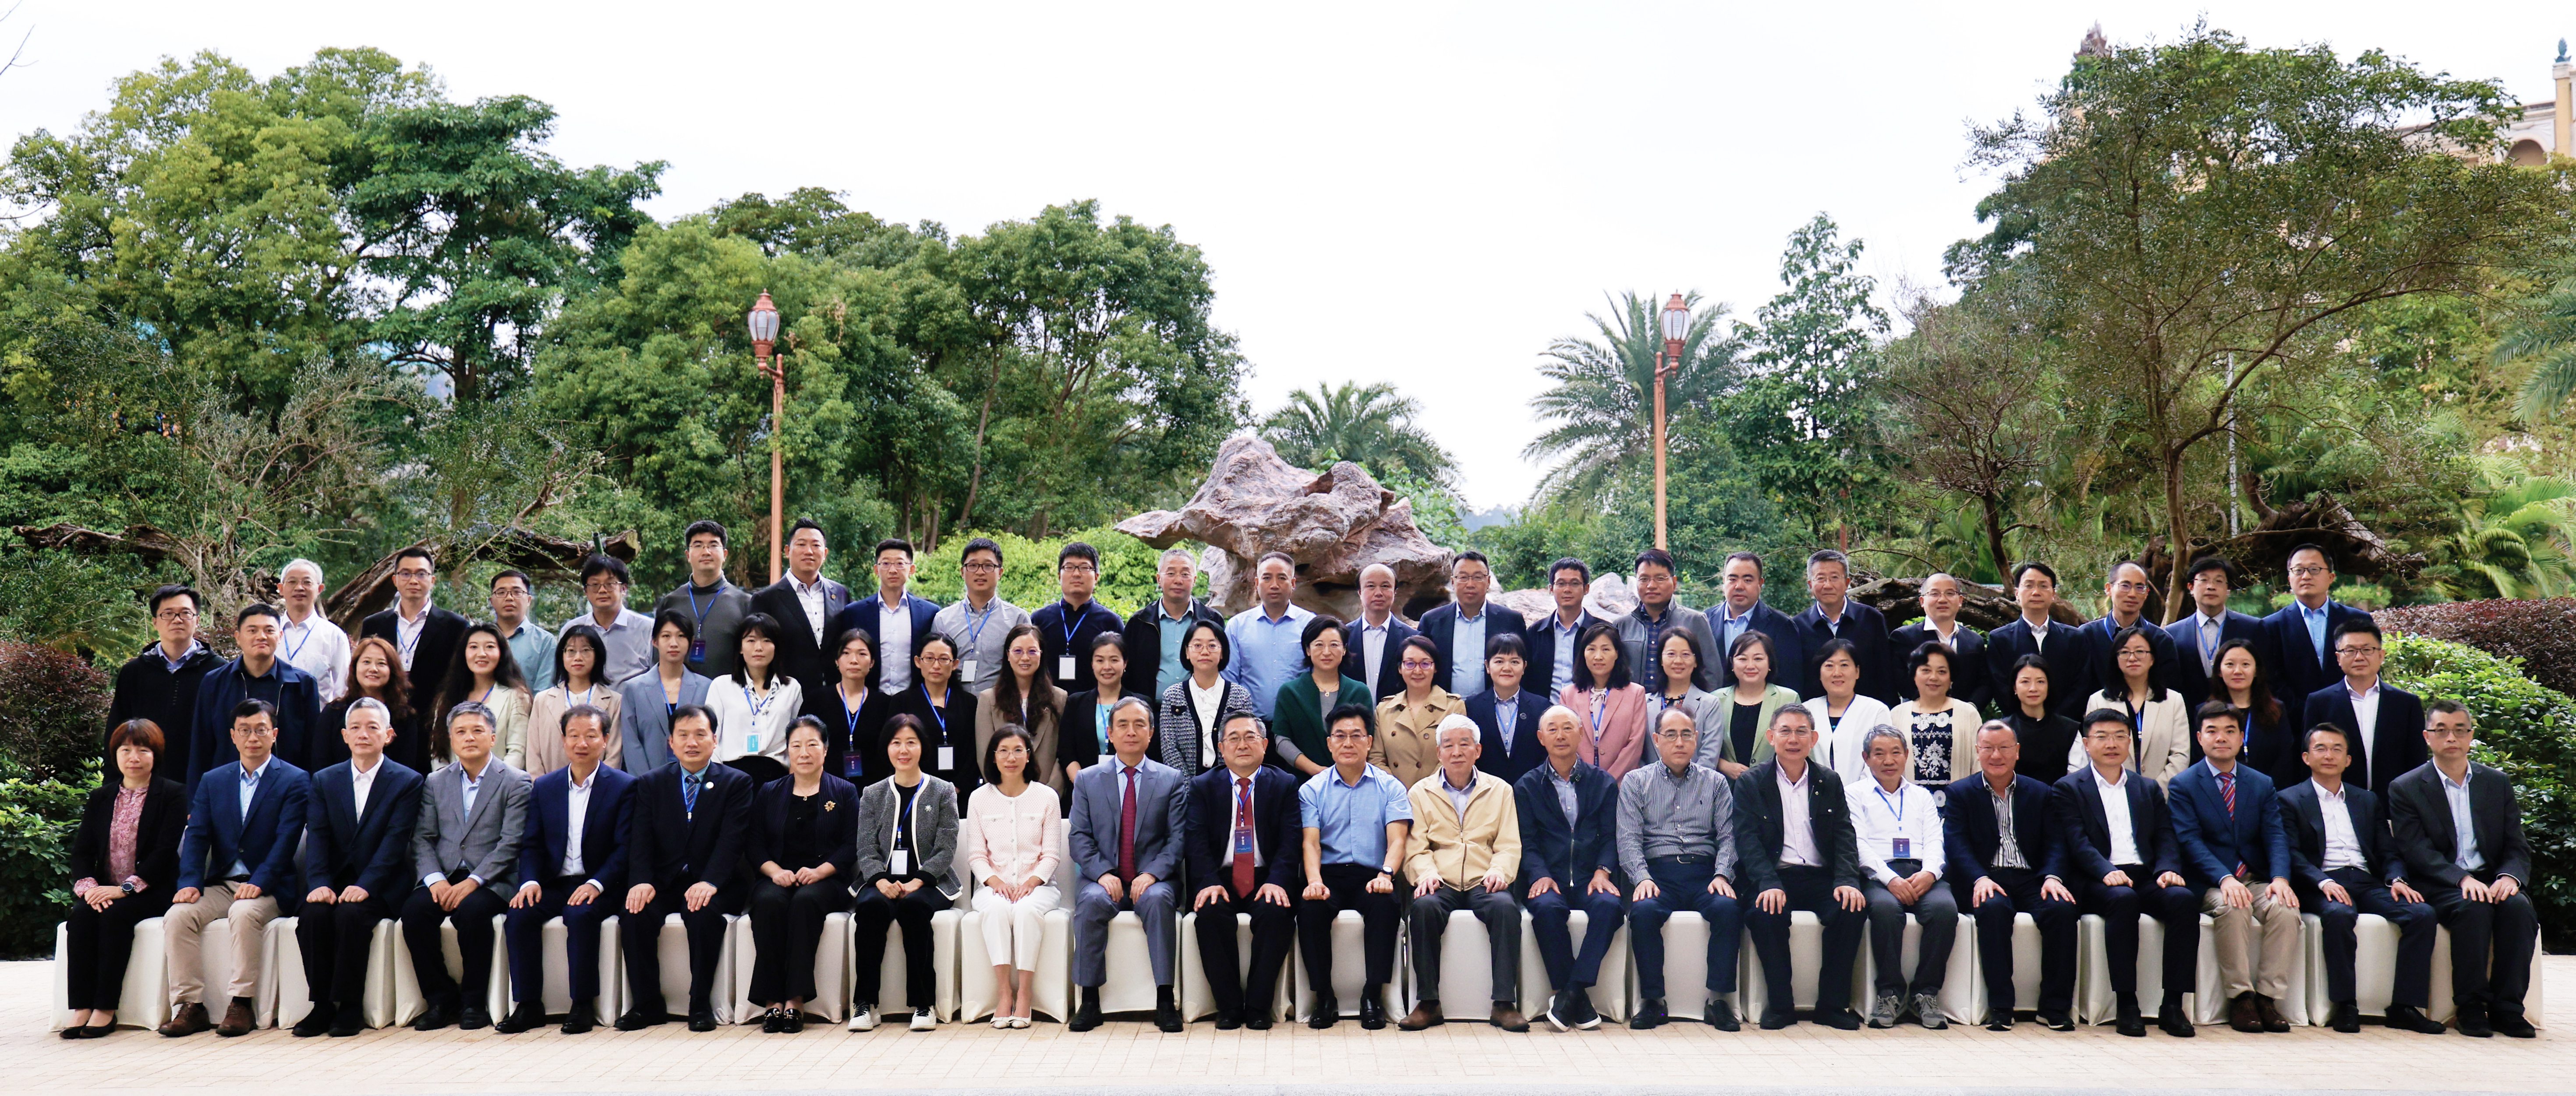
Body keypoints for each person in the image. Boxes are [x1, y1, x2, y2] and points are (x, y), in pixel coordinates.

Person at [2277, 722, 2443, 1035]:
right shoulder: (2289, 800)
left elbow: (2388, 849)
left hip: (2366, 880)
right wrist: (2323, 882)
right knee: (2340, 915)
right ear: (2306, 757)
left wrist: (2397, 879)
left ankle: (2405, 1007)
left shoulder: (2366, 800)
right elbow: (2291, 854)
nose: (2329, 755)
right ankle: (2346, 1005)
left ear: (2349, 760)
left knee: (2422, 914)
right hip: (2322, 882)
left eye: (2337, 749)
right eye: (2321, 749)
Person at [160, 700, 311, 1038]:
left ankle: (241, 1003)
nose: (252, 738)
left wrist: (261, 881)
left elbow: (287, 840)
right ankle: (191, 1006)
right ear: (233, 736)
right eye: (245, 730)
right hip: (222, 883)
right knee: (178, 916)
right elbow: (197, 836)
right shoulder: (214, 781)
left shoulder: (295, 780)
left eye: (260, 730)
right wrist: (190, 882)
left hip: (269, 886)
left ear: (274, 734)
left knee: (243, 914)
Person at [2388, 700, 2538, 1038]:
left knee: (2519, 909)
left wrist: (2509, 877)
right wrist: (2462, 879)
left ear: (2471, 736)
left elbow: (2516, 844)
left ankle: (2508, 1008)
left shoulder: (2496, 783)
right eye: (2441, 730)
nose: (2451, 738)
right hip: (2441, 881)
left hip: (2490, 877)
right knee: (2474, 908)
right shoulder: (2406, 787)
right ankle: (2471, 1007)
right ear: (2427, 737)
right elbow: (2417, 851)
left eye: (2459, 730)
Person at [2049, 708, 2201, 1038]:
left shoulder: (2147, 788)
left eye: (2120, 736)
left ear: (2130, 742)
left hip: (2144, 875)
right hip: (2096, 878)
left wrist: (2168, 869)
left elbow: (2165, 836)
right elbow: (2076, 841)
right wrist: (2105, 870)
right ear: (2086, 744)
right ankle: (2127, 1003)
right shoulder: (2069, 788)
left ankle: (2173, 1005)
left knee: (2184, 900)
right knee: (2123, 900)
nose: (2112, 744)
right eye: (2102, 737)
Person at [616, 704, 754, 1032]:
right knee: (634, 914)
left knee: (703, 914)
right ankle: (647, 1004)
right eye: (683, 735)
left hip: (716, 882)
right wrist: (641, 881)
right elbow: (640, 839)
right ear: (671, 742)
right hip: (664, 881)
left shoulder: (737, 783)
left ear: (715, 740)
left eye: (700, 735)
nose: (692, 742)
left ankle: (700, 1004)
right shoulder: (651, 783)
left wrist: (710, 882)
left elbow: (732, 841)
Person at [292, 699, 425, 1038]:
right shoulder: (324, 780)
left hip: (382, 882)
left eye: (372, 727)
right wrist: (319, 883)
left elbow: (396, 841)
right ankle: (322, 1004)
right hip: (334, 879)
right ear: (345, 736)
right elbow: (318, 836)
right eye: (356, 728)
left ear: (389, 735)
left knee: (351, 915)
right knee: (313, 915)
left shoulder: (408, 781)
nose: (363, 734)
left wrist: (367, 884)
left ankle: (349, 1006)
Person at [498, 703, 633, 1036]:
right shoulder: (545, 787)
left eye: (591, 736)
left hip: (601, 884)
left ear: (605, 739)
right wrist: (529, 881)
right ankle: (528, 1004)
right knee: (519, 915)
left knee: (581, 914)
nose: (581, 743)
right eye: (574, 736)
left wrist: (597, 884)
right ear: (563, 740)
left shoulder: (624, 786)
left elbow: (625, 849)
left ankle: (582, 1004)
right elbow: (532, 844)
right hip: (554, 882)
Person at [2168, 703, 2300, 1034]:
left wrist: (2281, 878)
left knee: (2286, 908)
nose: (2221, 738)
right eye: (2212, 731)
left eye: (2230, 731)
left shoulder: (2261, 783)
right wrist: (2225, 878)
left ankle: (2268, 998)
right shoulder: (2184, 784)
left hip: (2255, 877)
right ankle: (2241, 997)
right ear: (2199, 738)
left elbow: (2275, 835)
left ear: (2242, 738)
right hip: (2211, 881)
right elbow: (2190, 841)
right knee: (2234, 906)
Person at [1735, 704, 1867, 1030]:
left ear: (1814, 738)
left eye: (1801, 732)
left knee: (1851, 909)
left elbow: (1844, 835)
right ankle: (1781, 1006)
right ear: (1771, 737)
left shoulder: (1829, 780)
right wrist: (1767, 883)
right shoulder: (1752, 782)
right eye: (1785, 731)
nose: (1793, 739)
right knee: (1766, 913)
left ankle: (1832, 1006)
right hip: (1776, 875)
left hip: (1822, 877)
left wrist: (1847, 880)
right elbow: (1747, 841)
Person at [401, 701, 531, 1032]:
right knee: (414, 913)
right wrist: (435, 880)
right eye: (461, 732)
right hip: (443, 875)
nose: (469, 737)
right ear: (450, 738)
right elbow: (423, 838)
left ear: (493, 737)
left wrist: (474, 881)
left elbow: (511, 843)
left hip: (492, 878)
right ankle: (441, 998)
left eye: (477, 731)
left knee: (472, 913)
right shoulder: (435, 782)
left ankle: (474, 1002)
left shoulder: (516, 781)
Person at [1943, 721, 2077, 1031]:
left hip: (2033, 877)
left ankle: (2054, 1008)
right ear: (1977, 752)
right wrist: (1979, 878)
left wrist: (2052, 877)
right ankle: (2001, 1007)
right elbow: (1956, 844)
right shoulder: (1960, 793)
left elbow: (2056, 841)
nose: (1996, 755)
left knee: (2062, 910)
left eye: (2004, 748)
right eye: (1988, 748)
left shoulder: (2041, 792)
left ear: (2017, 751)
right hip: (1987, 877)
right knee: (1992, 911)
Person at [1067, 694, 1188, 1032]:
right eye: (1123, 725)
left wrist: (1152, 874)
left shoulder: (1171, 779)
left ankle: (1165, 1000)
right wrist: (1102, 873)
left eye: (1139, 725)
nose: (1131, 732)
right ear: (1110, 733)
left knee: (1159, 901)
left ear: (1151, 733)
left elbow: (1178, 839)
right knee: (1091, 902)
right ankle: (1090, 1001)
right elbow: (1079, 837)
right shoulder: (1088, 779)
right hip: (1103, 878)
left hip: (1154, 879)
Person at [1397, 718, 1527, 1031]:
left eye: (1465, 744)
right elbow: (1416, 847)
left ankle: (1504, 1003)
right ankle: (1428, 1003)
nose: (1457, 752)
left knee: (1506, 908)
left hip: (1485, 878)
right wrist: (1426, 874)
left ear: (1478, 750)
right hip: (1440, 879)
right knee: (1424, 908)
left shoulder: (1500, 790)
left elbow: (1509, 844)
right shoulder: (1420, 792)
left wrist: (1499, 871)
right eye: (1449, 745)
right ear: (1439, 753)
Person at [60, 720, 187, 1039]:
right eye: (126, 750)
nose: (134, 757)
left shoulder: (172, 794)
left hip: (153, 889)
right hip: (104, 890)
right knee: (81, 918)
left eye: (143, 750)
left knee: (115, 918)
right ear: (115, 754)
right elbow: (82, 852)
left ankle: (106, 1008)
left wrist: (125, 889)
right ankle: (81, 1006)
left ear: (155, 755)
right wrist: (90, 889)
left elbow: (164, 852)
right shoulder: (101, 797)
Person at [1618, 707, 1742, 1030]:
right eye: (1671, 735)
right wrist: (1641, 878)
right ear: (1656, 740)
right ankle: (1653, 1001)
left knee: (1728, 909)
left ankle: (1719, 1001)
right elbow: (1628, 838)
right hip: (1657, 874)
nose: (1680, 742)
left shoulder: (1715, 782)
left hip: (1705, 874)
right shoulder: (1636, 781)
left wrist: (1722, 874)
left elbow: (1729, 836)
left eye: (1687, 735)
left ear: (1697, 739)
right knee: (1643, 912)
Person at [1297, 704, 1413, 1029]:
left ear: (1369, 741)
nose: (1348, 743)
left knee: (1385, 905)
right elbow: (1311, 843)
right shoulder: (1312, 789)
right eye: (1340, 736)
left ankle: (1372, 996)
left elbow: (1398, 841)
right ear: (1329, 743)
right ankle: (1324, 997)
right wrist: (1315, 881)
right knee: (1310, 909)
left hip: (1373, 875)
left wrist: (1386, 874)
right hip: (1329, 875)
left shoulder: (1391, 787)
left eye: (1356, 736)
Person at [1185, 711, 1301, 1029]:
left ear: (1265, 745)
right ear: (1221, 749)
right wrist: (1208, 882)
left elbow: (1291, 841)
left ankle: (1260, 1007)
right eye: (1233, 738)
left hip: (1266, 877)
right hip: (1220, 877)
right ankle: (1229, 1006)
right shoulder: (1202, 786)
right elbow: (1195, 841)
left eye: (1251, 737)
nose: (1242, 744)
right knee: (1210, 914)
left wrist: (1278, 881)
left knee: (1276, 913)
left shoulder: (1285, 784)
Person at [744, 718, 859, 1034]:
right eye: (796, 746)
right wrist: (775, 872)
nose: (804, 753)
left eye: (812, 745)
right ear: (787, 751)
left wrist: (821, 871)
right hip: (777, 877)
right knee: (768, 903)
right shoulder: (770, 792)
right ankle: (772, 1001)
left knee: (805, 903)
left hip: (826, 880)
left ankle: (795, 1000)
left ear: (826, 749)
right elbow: (754, 844)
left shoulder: (844, 791)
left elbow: (852, 845)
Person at [848, 714, 961, 1033]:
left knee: (914, 908)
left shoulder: (943, 791)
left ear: (923, 747)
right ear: (887, 748)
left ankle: (924, 1004)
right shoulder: (873, 793)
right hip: (880, 880)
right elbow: (865, 847)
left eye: (911, 742)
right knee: (870, 908)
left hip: (930, 882)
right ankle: (865, 1003)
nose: (904, 750)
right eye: (896, 743)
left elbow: (947, 846)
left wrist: (918, 881)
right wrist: (880, 881)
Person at [1515, 705, 1623, 1033]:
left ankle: (1570, 993)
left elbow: (1611, 836)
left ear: (1581, 734)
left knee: (1610, 907)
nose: (1560, 735)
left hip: (1592, 877)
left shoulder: (1603, 783)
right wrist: (1540, 874)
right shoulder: (1527, 786)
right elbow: (1527, 841)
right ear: (1541, 738)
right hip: (1550, 877)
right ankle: (1578, 999)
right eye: (1552, 729)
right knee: (1547, 909)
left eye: (1567, 728)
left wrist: (1603, 870)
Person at [1847, 725, 1954, 1028]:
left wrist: (1930, 873)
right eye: (1879, 753)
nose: (1888, 760)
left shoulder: (1922, 796)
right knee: (1884, 910)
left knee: (1945, 910)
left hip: (1922, 872)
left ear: (1907, 755)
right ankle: (1889, 994)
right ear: (1866, 758)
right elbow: (1858, 844)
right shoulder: (1854, 794)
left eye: (1896, 752)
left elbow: (1935, 839)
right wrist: (1890, 879)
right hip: (1878, 875)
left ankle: (1926, 993)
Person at [964, 723, 1065, 1029]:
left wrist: (1031, 883)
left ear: (1029, 755)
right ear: (993, 757)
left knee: (1025, 911)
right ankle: (1004, 993)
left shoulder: (1047, 796)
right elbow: (976, 855)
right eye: (1004, 751)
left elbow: (1052, 855)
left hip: (1040, 887)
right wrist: (995, 883)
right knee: (996, 910)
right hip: (993, 886)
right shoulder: (979, 798)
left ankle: (1025, 993)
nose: (1011, 758)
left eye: (1018, 750)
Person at [188, 603, 321, 795]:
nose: (261, 637)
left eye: (269, 630)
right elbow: (201, 746)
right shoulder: (215, 683)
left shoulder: (301, 684)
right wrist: (197, 801)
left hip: (287, 792)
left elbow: (312, 748)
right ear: (238, 637)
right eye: (252, 631)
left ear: (280, 636)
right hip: (226, 791)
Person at [108, 584, 220, 787]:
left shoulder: (219, 671)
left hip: (202, 783)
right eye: (168, 614)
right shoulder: (134, 672)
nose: (177, 620)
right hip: (143, 783)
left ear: (197, 620)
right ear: (155, 622)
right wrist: (113, 786)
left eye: (185, 613)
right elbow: (117, 732)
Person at [2301, 620, 2427, 794]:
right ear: (2338, 658)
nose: (2359, 657)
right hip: (2338, 800)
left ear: (2381, 655)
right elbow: (2311, 759)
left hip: (2395, 801)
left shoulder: (2407, 704)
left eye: (2367, 650)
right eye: (2350, 651)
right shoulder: (2320, 703)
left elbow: (2417, 761)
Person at [2072, 625, 2190, 786]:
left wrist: (2154, 791)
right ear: (2116, 659)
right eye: (2125, 652)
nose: (2132, 658)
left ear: (2153, 659)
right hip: (2113, 790)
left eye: (2140, 652)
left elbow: (2181, 755)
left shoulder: (2173, 700)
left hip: (2162, 793)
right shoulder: (2098, 701)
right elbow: (2094, 753)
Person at [751, 518, 854, 702]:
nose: (809, 551)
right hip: (786, 697)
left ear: (825, 553)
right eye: (801, 544)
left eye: (816, 545)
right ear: (787, 551)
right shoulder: (766, 599)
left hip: (836, 695)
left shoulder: (841, 594)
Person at [2264, 544, 2374, 713]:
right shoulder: (2271, 626)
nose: (2306, 576)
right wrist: (2307, 712)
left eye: (2314, 570)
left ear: (2331, 577)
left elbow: (2370, 671)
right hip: (2293, 720)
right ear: (2289, 579)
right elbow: (2272, 682)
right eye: (2298, 570)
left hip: (2350, 715)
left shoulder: (2358, 620)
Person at [359, 547, 468, 718]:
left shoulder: (456, 626)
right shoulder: (374, 624)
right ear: (395, 580)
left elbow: (460, 678)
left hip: (433, 718)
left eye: (421, 574)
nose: (413, 580)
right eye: (406, 574)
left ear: (433, 580)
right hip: (382, 716)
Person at [833, 538, 940, 695]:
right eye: (886, 564)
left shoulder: (929, 613)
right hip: (868, 698)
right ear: (876, 570)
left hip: (914, 698)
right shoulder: (855, 612)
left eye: (900, 563)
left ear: (912, 569)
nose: (893, 570)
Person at [654, 520, 757, 682]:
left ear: (725, 554)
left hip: (730, 694)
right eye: (698, 545)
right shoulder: (671, 602)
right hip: (678, 694)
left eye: (713, 545)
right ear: (688, 555)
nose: (706, 552)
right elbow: (657, 657)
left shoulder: (745, 603)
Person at [2068, 562, 2178, 712]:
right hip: (2097, 720)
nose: (2132, 594)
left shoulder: (2161, 640)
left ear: (2146, 593)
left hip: (2149, 719)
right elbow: (2078, 690)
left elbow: (2168, 693)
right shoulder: (2087, 636)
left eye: (2140, 587)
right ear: (2108, 589)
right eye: (2125, 586)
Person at [708, 613, 803, 785]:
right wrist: (719, 779)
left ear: (776, 647)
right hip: (731, 775)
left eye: (767, 641)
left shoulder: (791, 688)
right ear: (740, 647)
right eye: (751, 641)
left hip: (777, 776)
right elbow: (710, 736)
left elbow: (796, 737)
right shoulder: (721, 686)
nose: (759, 648)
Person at [1418, 552, 1529, 699]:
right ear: (1453, 582)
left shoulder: (1511, 620)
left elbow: (1525, 669)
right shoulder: (1432, 621)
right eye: (1463, 577)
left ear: (1488, 582)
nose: (1470, 584)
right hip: (1445, 707)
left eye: (1478, 577)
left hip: (1496, 706)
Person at [2164, 556, 2267, 712]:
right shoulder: (2173, 633)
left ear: (2228, 589)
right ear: (2191, 587)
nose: (2211, 587)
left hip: (2241, 714)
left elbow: (2264, 677)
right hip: (2189, 715)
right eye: (2204, 580)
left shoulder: (2252, 628)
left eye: (2219, 581)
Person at [1158, 621, 1260, 776]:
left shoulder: (1240, 695)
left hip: (1230, 782)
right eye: (1197, 646)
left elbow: (1245, 743)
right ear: (1187, 652)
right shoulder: (1172, 696)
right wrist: (1188, 786)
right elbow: (1169, 748)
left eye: (1212, 646)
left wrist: (1229, 783)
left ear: (1222, 652)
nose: (1205, 652)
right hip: (1184, 784)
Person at [1794, 550, 1896, 704]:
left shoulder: (1871, 619)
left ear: (1847, 583)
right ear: (1810, 585)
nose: (1828, 585)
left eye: (1835, 578)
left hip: (1867, 711)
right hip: (1816, 713)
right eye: (1820, 578)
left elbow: (1885, 674)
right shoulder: (1798, 625)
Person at [978, 622, 1067, 799]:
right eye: (1018, 651)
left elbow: (1064, 753)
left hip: (1048, 796)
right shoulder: (988, 699)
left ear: (1041, 654)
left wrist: (1048, 794)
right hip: (1003, 796)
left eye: (1032, 651)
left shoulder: (1059, 698)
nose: (1025, 658)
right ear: (1008, 655)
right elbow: (985, 754)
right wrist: (1005, 793)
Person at [617, 610, 713, 773]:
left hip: (696, 777)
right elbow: (631, 743)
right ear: (655, 641)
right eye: (666, 636)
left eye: (681, 636)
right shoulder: (634, 689)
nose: (674, 643)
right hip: (648, 779)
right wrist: (645, 783)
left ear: (691, 642)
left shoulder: (707, 687)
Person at [932, 536, 1028, 696]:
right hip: (954, 704)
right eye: (973, 566)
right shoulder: (943, 620)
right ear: (962, 572)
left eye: (988, 566)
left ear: (1000, 573)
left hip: (1001, 705)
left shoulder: (1018, 619)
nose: (980, 572)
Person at [1124, 546, 1224, 699]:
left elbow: (1222, 666)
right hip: (1148, 708)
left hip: (1200, 707)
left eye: (1185, 574)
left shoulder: (1212, 620)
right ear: (1159, 579)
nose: (1178, 580)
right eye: (1171, 574)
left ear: (1194, 580)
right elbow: (1127, 669)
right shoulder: (1139, 622)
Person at [1275, 615, 1369, 778]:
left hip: (1353, 779)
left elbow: (1367, 739)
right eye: (1319, 645)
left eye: (1334, 645)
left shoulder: (1360, 691)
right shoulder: (1290, 692)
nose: (1327, 652)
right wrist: (1316, 771)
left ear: (1344, 650)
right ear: (1308, 650)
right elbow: (1282, 741)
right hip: (1302, 781)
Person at [313, 636, 422, 774]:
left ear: (392, 670)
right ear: (355, 667)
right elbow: (320, 765)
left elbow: (408, 771)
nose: (373, 669)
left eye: (381, 664)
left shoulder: (404, 717)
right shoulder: (334, 713)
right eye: (366, 662)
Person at [1623, 548, 1726, 693]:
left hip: (1683, 706)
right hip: (1633, 706)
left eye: (1660, 578)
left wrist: (1695, 705)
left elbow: (1712, 675)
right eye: (1644, 579)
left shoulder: (1695, 621)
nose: (1651, 585)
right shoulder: (1622, 626)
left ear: (1674, 582)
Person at [432, 622, 533, 770]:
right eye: (474, 647)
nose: (481, 654)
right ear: (464, 653)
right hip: (454, 782)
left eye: (490, 647)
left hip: (501, 782)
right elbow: (438, 752)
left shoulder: (517, 697)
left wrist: (491, 782)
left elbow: (517, 753)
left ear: (502, 653)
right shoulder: (447, 699)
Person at [1225, 552, 1314, 719]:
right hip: (1251, 725)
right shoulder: (1237, 626)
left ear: (1293, 583)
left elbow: (1318, 673)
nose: (1274, 585)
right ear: (1257, 583)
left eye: (1282, 578)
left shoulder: (1310, 624)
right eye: (1267, 578)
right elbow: (1230, 678)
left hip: (1298, 723)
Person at [1700, 631, 1801, 778]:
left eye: (1758, 659)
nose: (1751, 666)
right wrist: (1724, 766)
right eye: (1743, 659)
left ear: (1770, 663)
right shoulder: (1715, 700)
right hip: (1726, 786)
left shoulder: (1788, 699)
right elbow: (1701, 746)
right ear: (1732, 663)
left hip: (1775, 784)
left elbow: (1800, 745)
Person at [527, 625, 624, 776]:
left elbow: (614, 755)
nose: (578, 658)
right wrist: (542, 786)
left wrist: (600, 786)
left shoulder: (614, 701)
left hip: (600, 787)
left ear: (597, 656)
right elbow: (533, 754)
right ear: (562, 656)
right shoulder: (543, 700)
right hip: (550, 785)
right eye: (571, 651)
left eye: (586, 651)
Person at [891, 633, 980, 795]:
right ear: (918, 662)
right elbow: (894, 747)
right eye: (929, 658)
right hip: (915, 790)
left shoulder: (969, 702)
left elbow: (974, 750)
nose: (936, 666)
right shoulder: (902, 702)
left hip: (960, 792)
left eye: (944, 659)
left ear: (955, 664)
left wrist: (958, 786)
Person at [1984, 562, 2077, 717]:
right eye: (2029, 586)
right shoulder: (2000, 639)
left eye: (2043, 586)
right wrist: (2024, 720)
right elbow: (2000, 688)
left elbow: (2080, 686)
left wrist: (2058, 722)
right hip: (2016, 726)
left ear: (2054, 594)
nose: (2036, 592)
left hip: (2066, 725)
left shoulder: (2074, 638)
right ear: (2017, 593)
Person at [1373, 636, 1467, 789]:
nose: (1417, 671)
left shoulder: (1453, 707)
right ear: (1400, 668)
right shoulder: (1384, 709)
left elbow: (1455, 755)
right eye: (1410, 664)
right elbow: (1376, 758)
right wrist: (1396, 791)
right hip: (1394, 795)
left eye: (1425, 664)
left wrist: (1424, 793)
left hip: (1438, 793)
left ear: (1435, 668)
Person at [1559, 622, 1649, 781]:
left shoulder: (1636, 693)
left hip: (1623, 784)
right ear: (1583, 654)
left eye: (1606, 650)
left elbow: (1635, 745)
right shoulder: (1568, 694)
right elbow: (1566, 741)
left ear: (1617, 654)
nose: (1598, 656)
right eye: (1591, 649)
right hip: (1580, 783)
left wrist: (1607, 783)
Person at [1033, 541, 1125, 696]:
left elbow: (1123, 671)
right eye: (1069, 567)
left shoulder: (1111, 622)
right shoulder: (1039, 620)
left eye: (1084, 568)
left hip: (1094, 704)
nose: (1076, 574)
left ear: (1096, 577)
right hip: (1046, 702)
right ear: (1059, 576)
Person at [1892, 643, 1979, 804]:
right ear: (1914, 674)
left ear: (1952, 677)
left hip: (1958, 807)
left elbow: (1978, 764)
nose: (1933, 677)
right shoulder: (1897, 715)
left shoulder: (1968, 714)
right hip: (1910, 807)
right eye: (1926, 670)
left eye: (1942, 672)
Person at [2208, 638, 2297, 787]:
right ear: (2219, 671)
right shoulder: (2207, 713)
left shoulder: (2276, 710)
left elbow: (2284, 760)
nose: (2238, 671)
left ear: (2256, 670)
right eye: (2230, 664)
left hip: (2269, 792)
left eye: (2245, 665)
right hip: (2220, 791)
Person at [1891, 573, 1988, 709]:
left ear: (1960, 600)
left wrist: (1969, 708)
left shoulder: (1974, 641)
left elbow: (1984, 682)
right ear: (1922, 601)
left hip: (1964, 716)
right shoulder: (1904, 637)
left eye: (1950, 593)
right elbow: (1901, 681)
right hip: (1920, 714)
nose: (1943, 600)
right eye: (1934, 594)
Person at [1807, 638, 1893, 786]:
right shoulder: (1807, 711)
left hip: (1865, 795)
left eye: (1844, 665)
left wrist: (1855, 794)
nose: (1837, 673)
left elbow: (1881, 759)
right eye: (1829, 666)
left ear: (1857, 672)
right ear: (1820, 673)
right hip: (1814, 794)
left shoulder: (1876, 711)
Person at [561, 555, 656, 687]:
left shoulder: (648, 628)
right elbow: (563, 677)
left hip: (633, 700)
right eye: (595, 585)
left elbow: (658, 677)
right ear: (586, 591)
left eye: (610, 584)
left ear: (624, 589)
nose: (602, 590)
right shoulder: (572, 630)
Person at [1468, 633, 1550, 783]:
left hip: (1531, 789)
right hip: (1485, 789)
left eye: (1515, 662)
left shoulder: (1542, 707)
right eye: (1499, 661)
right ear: (1487, 666)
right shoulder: (1472, 707)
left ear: (1524, 667)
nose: (1507, 668)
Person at [810, 629, 888, 785]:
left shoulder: (885, 704)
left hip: (874, 789)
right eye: (846, 653)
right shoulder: (817, 700)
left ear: (872, 662)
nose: (854, 660)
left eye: (862, 654)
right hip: (826, 787)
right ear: (837, 661)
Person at [1061, 633, 1132, 789]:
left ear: (1125, 663)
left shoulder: (1139, 705)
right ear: (1092, 664)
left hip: (1129, 787)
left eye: (1114, 660)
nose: (1107, 667)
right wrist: (1083, 785)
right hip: (1083, 788)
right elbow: (1066, 751)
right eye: (1100, 660)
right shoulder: (1076, 703)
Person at [1524, 557, 1602, 698]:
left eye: (1575, 583)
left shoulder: (1602, 632)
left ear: (1586, 589)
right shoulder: (1536, 633)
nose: (1567, 590)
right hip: (1545, 710)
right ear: (1551, 589)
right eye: (1561, 584)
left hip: (1592, 709)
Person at [275, 559, 351, 702]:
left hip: (318, 715)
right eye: (292, 582)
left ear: (320, 589)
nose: (299, 588)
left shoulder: (334, 636)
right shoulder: (269, 632)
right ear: (281, 588)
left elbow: (343, 689)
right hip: (271, 715)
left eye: (307, 582)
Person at [1343, 562, 1421, 701]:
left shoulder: (1413, 638)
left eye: (1385, 586)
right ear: (1360, 592)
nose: (1378, 593)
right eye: (1371, 586)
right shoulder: (1343, 637)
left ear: (1395, 592)